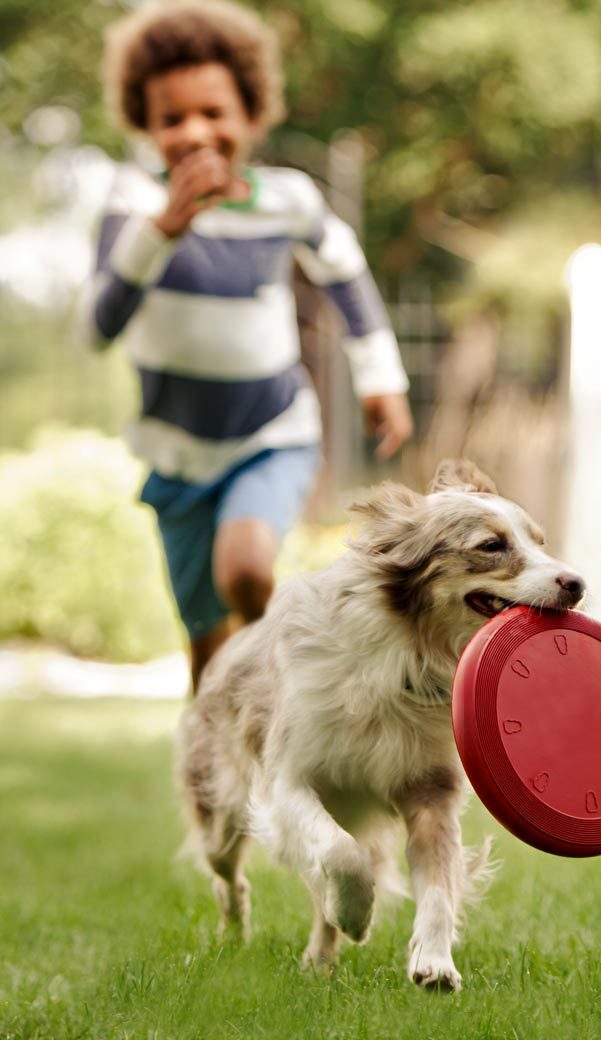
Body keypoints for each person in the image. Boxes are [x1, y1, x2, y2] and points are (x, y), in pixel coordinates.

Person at [81, 0, 413, 690]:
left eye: (214, 113)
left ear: (251, 115)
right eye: (172, 119)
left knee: (246, 571)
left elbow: (345, 275)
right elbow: (97, 326)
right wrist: (163, 230)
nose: (195, 133)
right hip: (176, 455)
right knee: (205, 656)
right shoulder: (132, 204)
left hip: (272, 430)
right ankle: (223, 769)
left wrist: (380, 376)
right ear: (145, 126)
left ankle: (288, 689)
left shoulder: (286, 199)